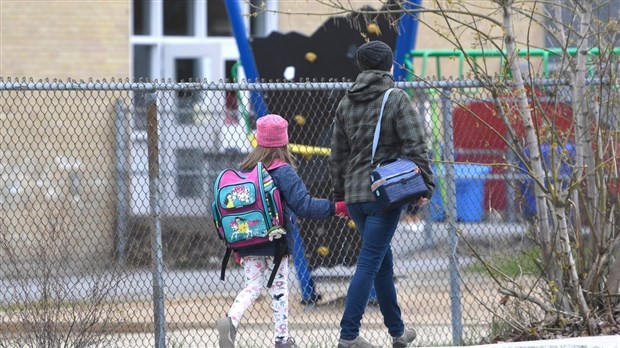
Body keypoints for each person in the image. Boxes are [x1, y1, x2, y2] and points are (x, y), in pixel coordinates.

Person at [329, 40, 435, 348]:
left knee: (381, 261)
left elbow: (337, 155)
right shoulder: (397, 99)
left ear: (362, 67)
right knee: (370, 261)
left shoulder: (346, 103)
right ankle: (348, 336)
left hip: (354, 196)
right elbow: (416, 145)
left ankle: (398, 333)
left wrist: (340, 194)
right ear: (389, 66)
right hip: (383, 196)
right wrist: (425, 187)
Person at [217, 114, 349, 348]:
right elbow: (304, 205)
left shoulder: (246, 170)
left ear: (259, 141)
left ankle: (231, 320)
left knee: (253, 287)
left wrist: (238, 246)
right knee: (278, 288)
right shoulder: (283, 171)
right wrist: (335, 208)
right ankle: (281, 339)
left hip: (247, 239)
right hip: (275, 241)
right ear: (283, 142)